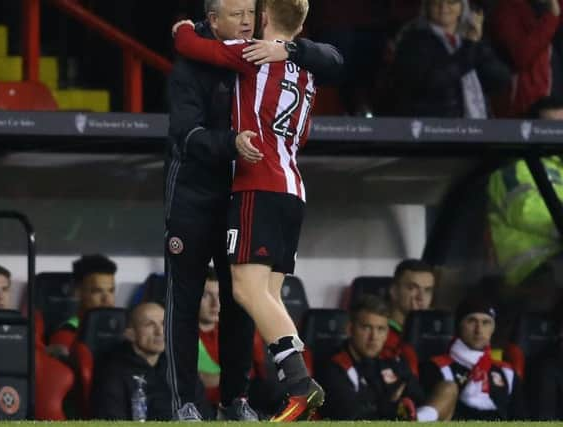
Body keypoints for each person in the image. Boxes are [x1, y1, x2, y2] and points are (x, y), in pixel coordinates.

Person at [164, 0, 342, 420]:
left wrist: (181, 30)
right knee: (266, 296)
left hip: (257, 185)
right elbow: (335, 58)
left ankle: (298, 381)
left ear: (263, 18)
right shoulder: (307, 67)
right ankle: (287, 388)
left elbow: (192, 44)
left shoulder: (252, 55)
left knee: (245, 292)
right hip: (292, 186)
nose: (246, 20)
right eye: (237, 12)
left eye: (251, 12)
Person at [487, 97, 563, 309]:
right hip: (531, 273)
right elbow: (527, 211)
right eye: (551, 127)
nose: (559, 134)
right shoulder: (515, 168)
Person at [389, 0, 510, 118]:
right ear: (427, 6)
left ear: (462, 6)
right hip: (434, 129)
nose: (443, 7)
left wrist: (477, 43)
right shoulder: (413, 39)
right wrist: (470, 45)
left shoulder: (470, 37)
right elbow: (435, 81)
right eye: (436, 2)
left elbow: (500, 80)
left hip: (477, 128)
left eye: (451, 2)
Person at [316, 295, 426, 420]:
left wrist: (387, 405)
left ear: (387, 333)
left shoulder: (392, 359)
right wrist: (391, 404)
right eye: (366, 327)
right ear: (350, 329)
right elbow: (351, 415)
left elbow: (418, 398)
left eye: (380, 329)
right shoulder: (333, 365)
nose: (374, 337)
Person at [421, 296, 526, 420]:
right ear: (459, 326)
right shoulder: (437, 367)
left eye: (486, 322)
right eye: (471, 321)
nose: (479, 330)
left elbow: (520, 418)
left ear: (493, 329)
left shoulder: (507, 372)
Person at [91, 302, 172, 420]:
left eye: (163, 323)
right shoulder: (113, 373)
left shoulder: (179, 366)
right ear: (130, 334)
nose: (160, 332)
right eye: (150, 325)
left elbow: (203, 412)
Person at [490, 0, 563, 117]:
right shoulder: (507, 9)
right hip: (524, 106)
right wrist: (552, 17)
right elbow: (521, 54)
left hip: (554, 97)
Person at [48, 254, 117, 358]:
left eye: (111, 291)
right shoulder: (66, 335)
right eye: (97, 291)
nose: (107, 299)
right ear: (78, 292)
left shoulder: (124, 331)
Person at [382, 259, 436, 358]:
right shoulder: (380, 335)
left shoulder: (435, 337)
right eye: (412, 288)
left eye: (427, 290)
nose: (421, 297)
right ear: (394, 291)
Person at [197, 269, 222, 407]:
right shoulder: (175, 332)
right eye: (206, 295)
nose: (216, 304)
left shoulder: (237, 330)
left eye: (220, 295)